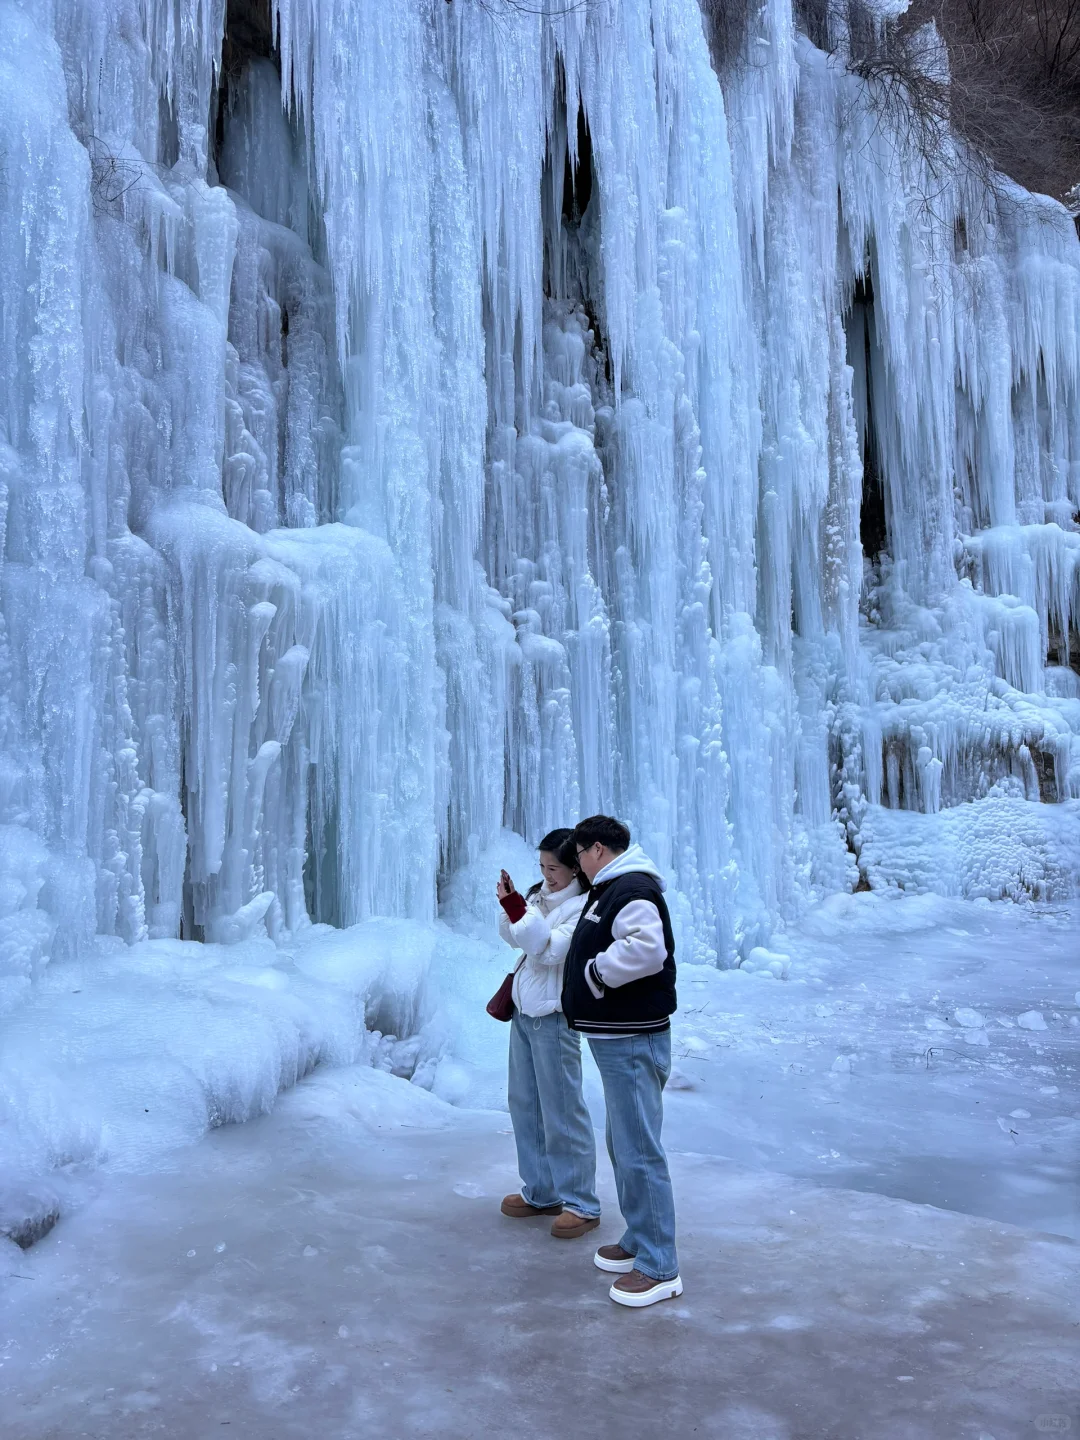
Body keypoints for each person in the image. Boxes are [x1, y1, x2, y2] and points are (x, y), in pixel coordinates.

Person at [561, 814, 681, 1307]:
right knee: (623, 1142)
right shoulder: (614, 887)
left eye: (578, 857)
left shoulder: (629, 887)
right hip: (619, 1038)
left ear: (596, 851)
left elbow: (647, 950)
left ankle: (659, 1265)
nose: (578, 867)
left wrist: (594, 973)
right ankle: (639, 1236)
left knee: (639, 1149)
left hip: (633, 1038)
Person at [496, 829, 601, 1239]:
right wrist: (514, 906)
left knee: (562, 1110)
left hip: (553, 1019)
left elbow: (547, 950)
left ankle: (582, 1202)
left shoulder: (582, 908)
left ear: (575, 867)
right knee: (524, 1104)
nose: (546, 874)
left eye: (553, 867)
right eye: (541, 867)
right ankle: (541, 1190)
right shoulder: (539, 898)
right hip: (524, 1015)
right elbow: (513, 936)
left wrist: (516, 907)